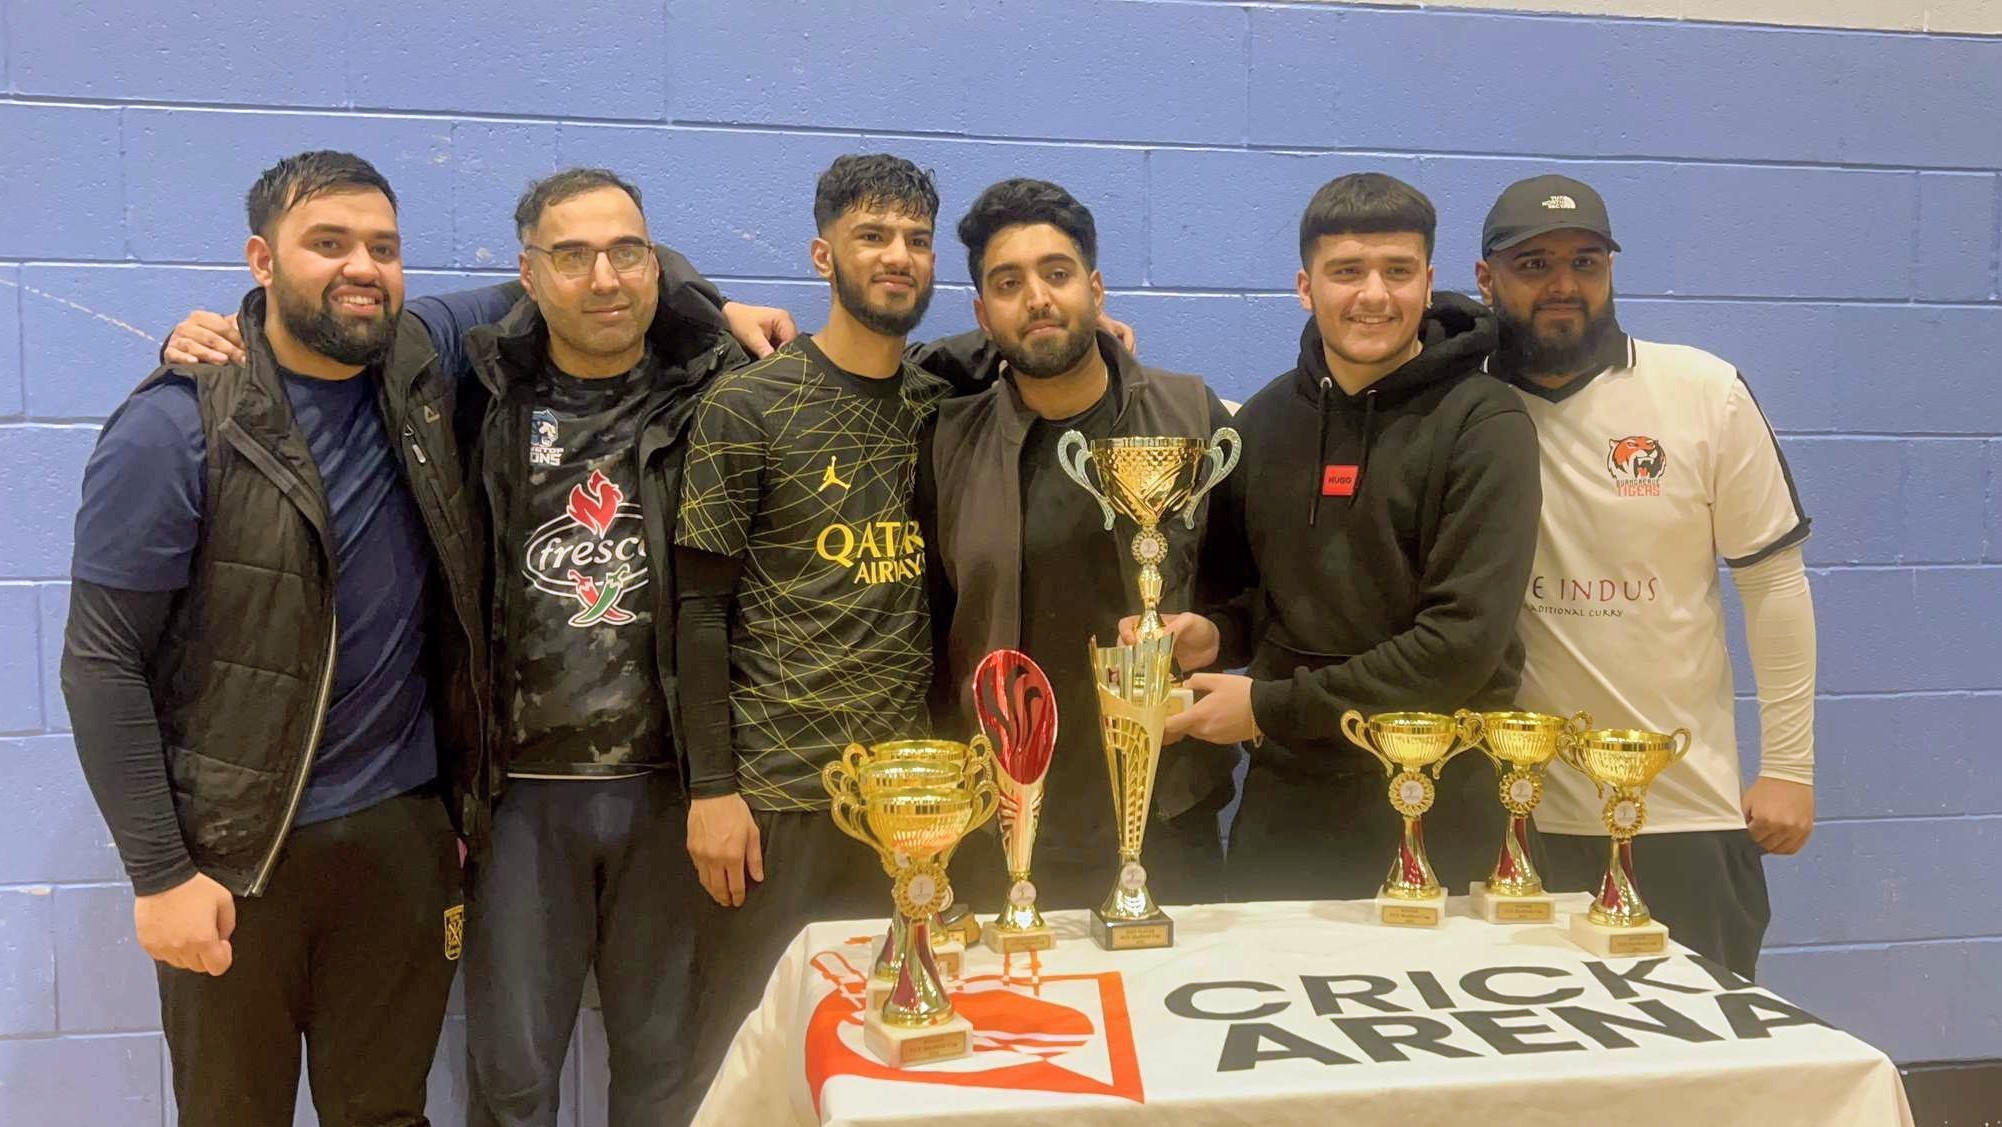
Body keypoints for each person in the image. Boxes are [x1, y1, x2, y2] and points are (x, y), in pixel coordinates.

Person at [61, 150, 488, 1126]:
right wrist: (162, 874)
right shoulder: (172, 430)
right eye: (327, 243)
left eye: (382, 246)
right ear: (261, 259)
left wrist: (706, 307)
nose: (362, 267)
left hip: (400, 838)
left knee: (387, 1114)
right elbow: (99, 662)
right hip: (234, 858)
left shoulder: (420, 363)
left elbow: (572, 271)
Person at [1474, 174, 1816, 979]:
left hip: (1683, 815)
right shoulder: (1460, 401)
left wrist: (1790, 767)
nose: (1564, 284)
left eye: (1586, 261)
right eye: (1534, 263)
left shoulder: (1702, 391)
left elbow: (1772, 584)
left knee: (1700, 1080)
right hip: (1510, 819)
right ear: (1487, 279)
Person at [1165, 172, 1541, 903]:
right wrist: (1210, 637)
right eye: (1347, 272)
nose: (1374, 295)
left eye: (1397, 271)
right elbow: (1254, 600)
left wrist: (1267, 708)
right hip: (1288, 805)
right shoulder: (1266, 423)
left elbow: (1459, 644)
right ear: (1306, 286)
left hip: (1440, 800)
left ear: (1428, 282)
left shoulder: (1486, 424)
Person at [673, 152, 949, 1076]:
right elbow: (698, 611)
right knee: (750, 1063)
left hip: (906, 810)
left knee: (894, 1056)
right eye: (873, 236)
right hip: (776, 802)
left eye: (916, 238)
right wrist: (712, 790)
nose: (898, 255)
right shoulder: (747, 404)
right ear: (823, 255)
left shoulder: (941, 408)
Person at [915, 177, 1238, 911]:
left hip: (1167, 812)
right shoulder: (948, 441)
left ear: (1094, 288)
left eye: (1056, 274)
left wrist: (1214, 632)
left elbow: (1252, 587)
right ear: (980, 314)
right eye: (1008, 283)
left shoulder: (1188, 410)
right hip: (1004, 819)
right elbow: (932, 632)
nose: (1037, 299)